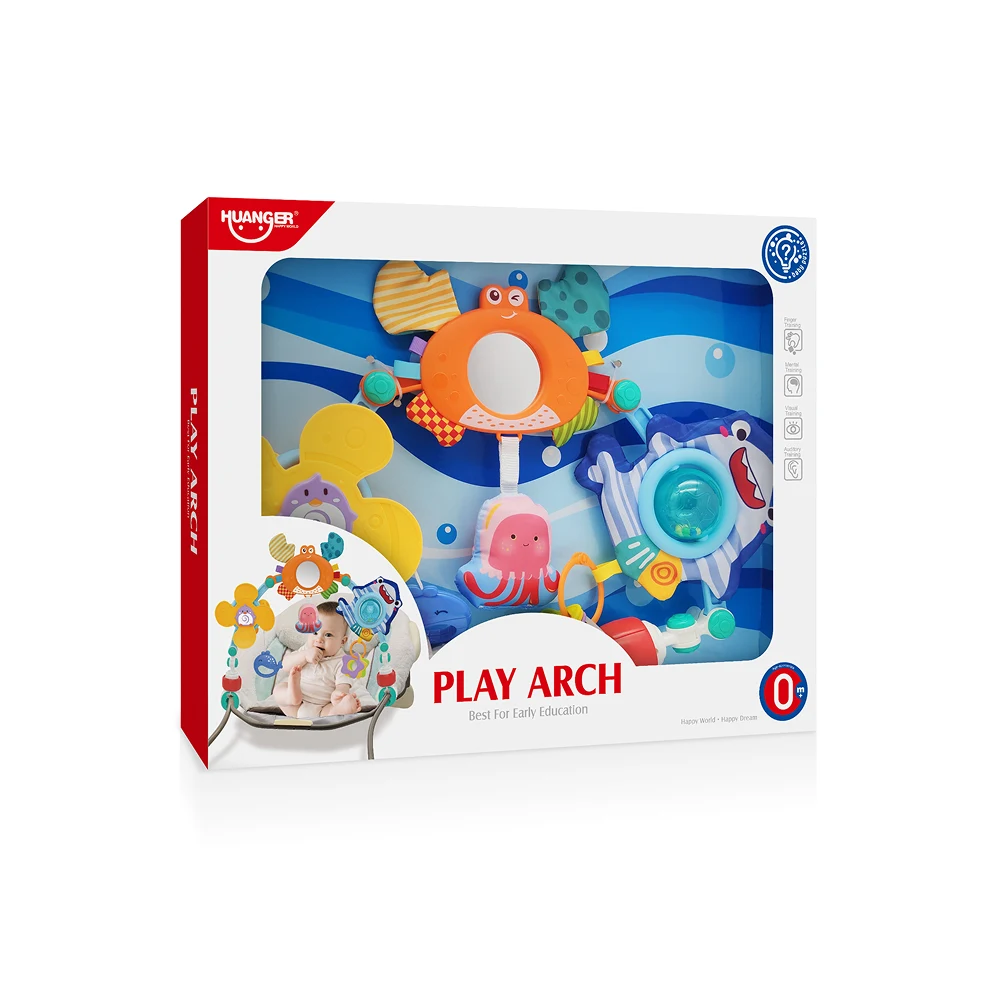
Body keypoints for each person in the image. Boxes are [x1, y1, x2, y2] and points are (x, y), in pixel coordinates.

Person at [273, 602, 367, 718]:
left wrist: (339, 695)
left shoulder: (343, 662)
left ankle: (340, 708)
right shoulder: (306, 650)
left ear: (342, 641)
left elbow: (343, 685)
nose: (319, 639)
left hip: (323, 708)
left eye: (328, 635)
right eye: (315, 632)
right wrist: (304, 656)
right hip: (296, 705)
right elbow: (285, 665)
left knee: (340, 705)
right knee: (279, 689)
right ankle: (291, 696)